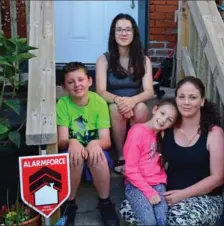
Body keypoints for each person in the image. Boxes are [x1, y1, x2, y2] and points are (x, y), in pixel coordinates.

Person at [120, 76, 224, 225]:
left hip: (204, 197)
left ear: (202, 101)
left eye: (193, 97)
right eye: (181, 97)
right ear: (176, 99)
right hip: (167, 193)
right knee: (129, 209)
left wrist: (183, 195)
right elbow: (147, 151)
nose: (186, 102)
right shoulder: (166, 128)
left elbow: (218, 178)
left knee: (176, 219)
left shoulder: (213, 133)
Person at [57, 62, 119, 226]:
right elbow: (61, 140)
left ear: (89, 81)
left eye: (80, 79)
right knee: (74, 155)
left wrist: (94, 143)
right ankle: (69, 204)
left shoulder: (99, 103)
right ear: (64, 87)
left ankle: (105, 202)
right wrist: (72, 141)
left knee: (97, 155)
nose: (77, 85)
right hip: (72, 154)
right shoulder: (63, 104)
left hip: (95, 154)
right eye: (71, 82)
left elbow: (106, 140)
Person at [96, 13, 154, 175]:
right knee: (115, 109)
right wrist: (120, 101)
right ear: (113, 34)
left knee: (142, 108)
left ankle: (134, 154)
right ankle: (122, 155)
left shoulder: (143, 60)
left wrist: (132, 101)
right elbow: (100, 91)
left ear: (134, 33)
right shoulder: (104, 60)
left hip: (136, 102)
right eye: (119, 30)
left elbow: (149, 91)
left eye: (128, 30)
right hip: (113, 102)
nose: (123, 33)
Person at [124, 99, 179, 225]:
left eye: (169, 119)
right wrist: (148, 192)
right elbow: (130, 170)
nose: (164, 120)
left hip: (158, 184)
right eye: (162, 113)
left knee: (162, 220)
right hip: (136, 185)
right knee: (149, 222)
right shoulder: (137, 132)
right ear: (155, 110)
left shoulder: (161, 135)